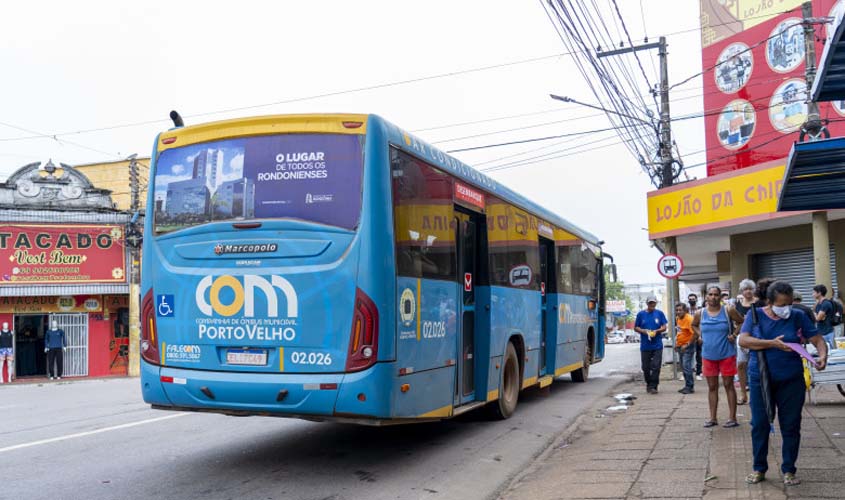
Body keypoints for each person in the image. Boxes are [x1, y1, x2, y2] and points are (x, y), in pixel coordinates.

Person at [739, 280, 828, 486]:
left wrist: (822, 356)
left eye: (789, 303)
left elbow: (817, 339)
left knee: (791, 425)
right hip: (761, 378)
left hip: (791, 379)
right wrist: (772, 344)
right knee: (759, 424)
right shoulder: (755, 315)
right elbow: (743, 340)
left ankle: (789, 469)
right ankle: (759, 468)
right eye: (781, 304)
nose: (786, 308)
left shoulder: (797, 315)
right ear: (769, 302)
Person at [692, 286, 745, 428]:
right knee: (712, 387)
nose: (713, 297)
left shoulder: (728, 310)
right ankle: (712, 418)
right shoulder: (700, 313)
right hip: (708, 355)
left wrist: (734, 335)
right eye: (710, 294)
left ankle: (732, 418)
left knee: (728, 385)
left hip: (727, 354)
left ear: (720, 297)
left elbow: (742, 321)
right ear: (706, 297)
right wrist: (700, 335)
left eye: (716, 294)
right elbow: (694, 325)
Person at [733, 279, 762, 405]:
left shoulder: (759, 303)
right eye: (745, 289)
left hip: (756, 337)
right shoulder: (738, 304)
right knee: (741, 365)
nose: (748, 291)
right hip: (741, 337)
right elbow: (735, 321)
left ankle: (757, 394)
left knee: (755, 365)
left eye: (750, 288)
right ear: (742, 291)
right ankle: (743, 394)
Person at [634, 295, 668, 394]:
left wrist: (657, 331)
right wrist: (644, 331)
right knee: (645, 367)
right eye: (650, 303)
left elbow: (664, 327)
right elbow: (636, 327)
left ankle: (654, 385)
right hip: (645, 345)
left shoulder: (659, 313)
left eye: (653, 303)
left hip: (657, 344)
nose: (652, 304)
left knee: (656, 366)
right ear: (647, 303)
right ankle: (649, 384)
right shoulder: (641, 314)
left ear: (656, 303)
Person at [674, 303, 697, 394]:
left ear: (685, 310)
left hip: (688, 346)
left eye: (680, 310)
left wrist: (687, 344)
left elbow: (695, 333)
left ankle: (690, 386)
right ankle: (687, 385)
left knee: (687, 366)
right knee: (683, 367)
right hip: (680, 345)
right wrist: (677, 344)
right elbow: (680, 332)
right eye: (677, 310)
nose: (678, 312)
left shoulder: (689, 319)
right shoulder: (678, 318)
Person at [813, 284, 835, 350]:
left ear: (819, 293)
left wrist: (816, 315)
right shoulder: (818, 303)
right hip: (821, 332)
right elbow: (814, 313)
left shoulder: (826, 304)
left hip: (828, 332)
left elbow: (817, 318)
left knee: (830, 352)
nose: (812, 294)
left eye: (814, 292)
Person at [688, 293, 704, 381]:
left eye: (693, 299)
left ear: (696, 300)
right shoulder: (686, 310)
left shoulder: (700, 310)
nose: (691, 301)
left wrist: (700, 335)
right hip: (689, 335)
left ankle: (698, 372)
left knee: (699, 354)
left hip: (698, 334)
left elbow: (701, 323)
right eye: (690, 299)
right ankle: (688, 372)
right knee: (689, 354)